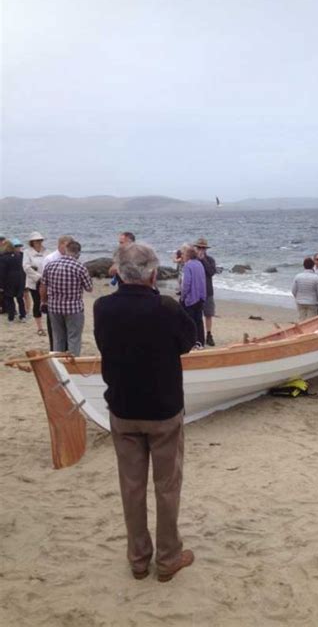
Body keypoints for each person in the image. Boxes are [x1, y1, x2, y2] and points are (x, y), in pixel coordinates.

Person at [93, 243, 196, 582]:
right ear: (153, 273)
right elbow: (187, 342)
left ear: (117, 272)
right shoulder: (165, 307)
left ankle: (139, 559)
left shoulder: (103, 307)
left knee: (132, 486)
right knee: (167, 486)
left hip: (123, 407)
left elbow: (104, 343)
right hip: (163, 409)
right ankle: (167, 559)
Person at [40, 240, 93, 355]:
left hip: (54, 307)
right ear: (78, 253)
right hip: (73, 308)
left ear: (66, 250)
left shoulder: (50, 265)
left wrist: (43, 301)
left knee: (58, 337)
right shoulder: (80, 267)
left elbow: (43, 285)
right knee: (73, 338)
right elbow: (89, 288)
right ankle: (72, 364)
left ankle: (58, 364)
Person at [43, 235, 75, 350]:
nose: (68, 248)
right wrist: (44, 301)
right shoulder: (50, 259)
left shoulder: (73, 258)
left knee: (70, 332)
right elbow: (44, 282)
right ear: (60, 245)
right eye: (66, 245)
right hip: (54, 300)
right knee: (55, 333)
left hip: (70, 301)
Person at [180, 244, 206, 348]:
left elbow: (187, 283)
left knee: (189, 321)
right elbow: (202, 280)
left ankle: (191, 342)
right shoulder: (200, 264)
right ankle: (200, 342)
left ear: (188, 255)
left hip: (191, 298)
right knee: (198, 320)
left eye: (183, 254)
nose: (182, 256)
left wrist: (183, 296)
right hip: (200, 297)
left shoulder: (188, 265)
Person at [22, 231, 48, 336]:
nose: (38, 242)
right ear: (32, 242)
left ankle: (50, 324)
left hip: (47, 281)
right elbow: (26, 267)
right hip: (34, 281)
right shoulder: (27, 252)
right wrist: (38, 277)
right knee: (37, 303)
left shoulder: (47, 251)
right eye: (36, 240)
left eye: (40, 240)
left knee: (48, 303)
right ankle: (40, 327)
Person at [194, 237, 217, 346]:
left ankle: (208, 334)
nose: (201, 250)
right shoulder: (193, 260)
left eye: (203, 248)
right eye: (199, 248)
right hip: (196, 292)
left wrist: (203, 260)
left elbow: (212, 272)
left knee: (208, 314)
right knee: (195, 315)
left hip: (207, 291)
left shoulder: (210, 260)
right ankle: (196, 335)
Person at [0, 240, 26, 322]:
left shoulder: (3, 258)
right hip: (20, 278)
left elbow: (2, 272)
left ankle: (11, 316)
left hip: (9, 280)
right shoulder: (19, 256)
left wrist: (1, 285)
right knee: (20, 298)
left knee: (9, 298)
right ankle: (23, 315)